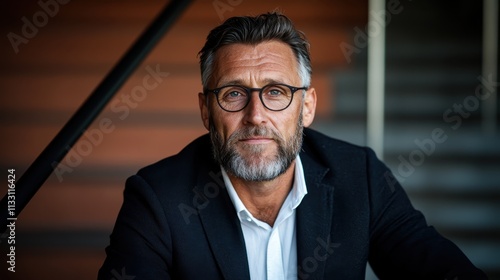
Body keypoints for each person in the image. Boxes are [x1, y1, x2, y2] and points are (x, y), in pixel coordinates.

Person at [98, 12, 487, 280]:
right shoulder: (157, 199)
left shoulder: (361, 178)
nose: (256, 115)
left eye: (276, 92)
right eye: (234, 94)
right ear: (205, 109)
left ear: (307, 107)